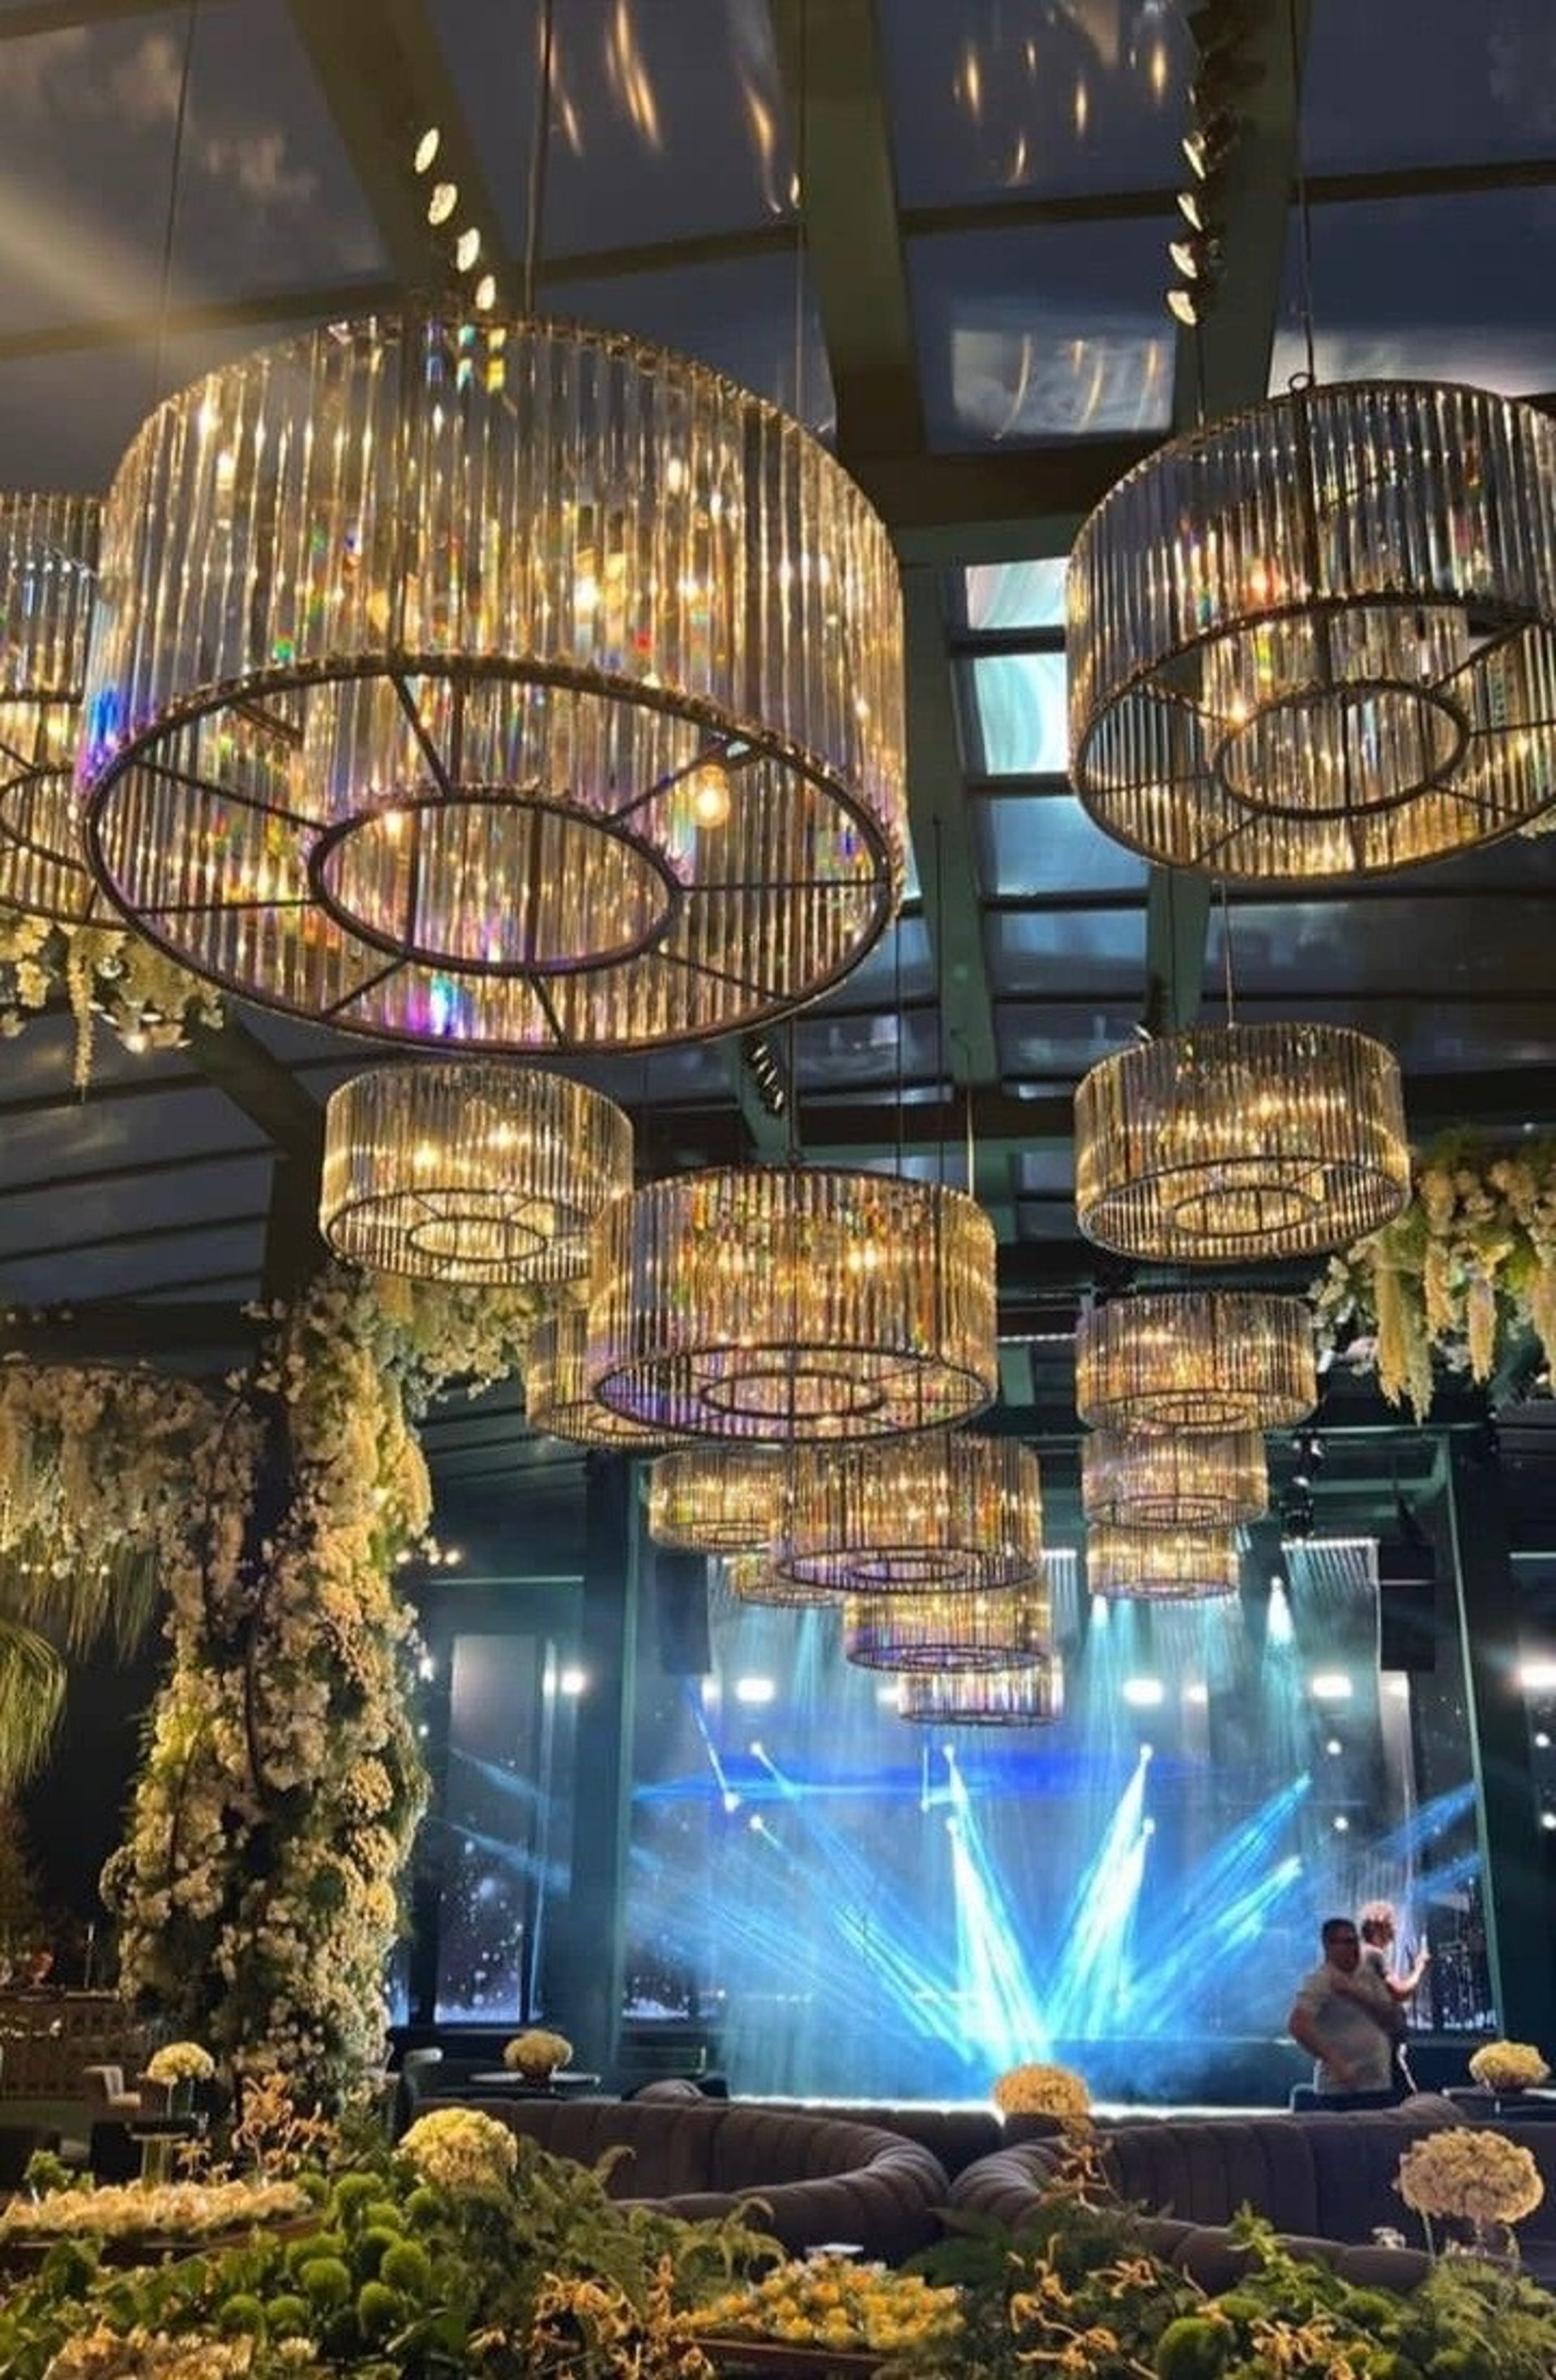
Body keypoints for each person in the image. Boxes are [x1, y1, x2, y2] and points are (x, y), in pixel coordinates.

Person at [1287, 1916, 1400, 2107]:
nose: (1354, 1947)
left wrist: (1356, 1994)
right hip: (1340, 2089)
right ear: (1329, 1946)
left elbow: (1391, 2018)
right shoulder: (1321, 1979)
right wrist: (1335, 2062)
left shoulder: (1368, 1975)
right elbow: (1298, 2025)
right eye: (1346, 1942)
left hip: (1379, 2083)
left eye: (1355, 1940)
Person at [1357, 1900, 1430, 2092]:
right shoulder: (1373, 1955)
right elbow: (1399, 1992)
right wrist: (1419, 1968)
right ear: (1377, 1926)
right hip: (1381, 2050)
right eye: (1391, 1925)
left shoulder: (1359, 1956)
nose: (1395, 1931)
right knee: (1407, 2101)